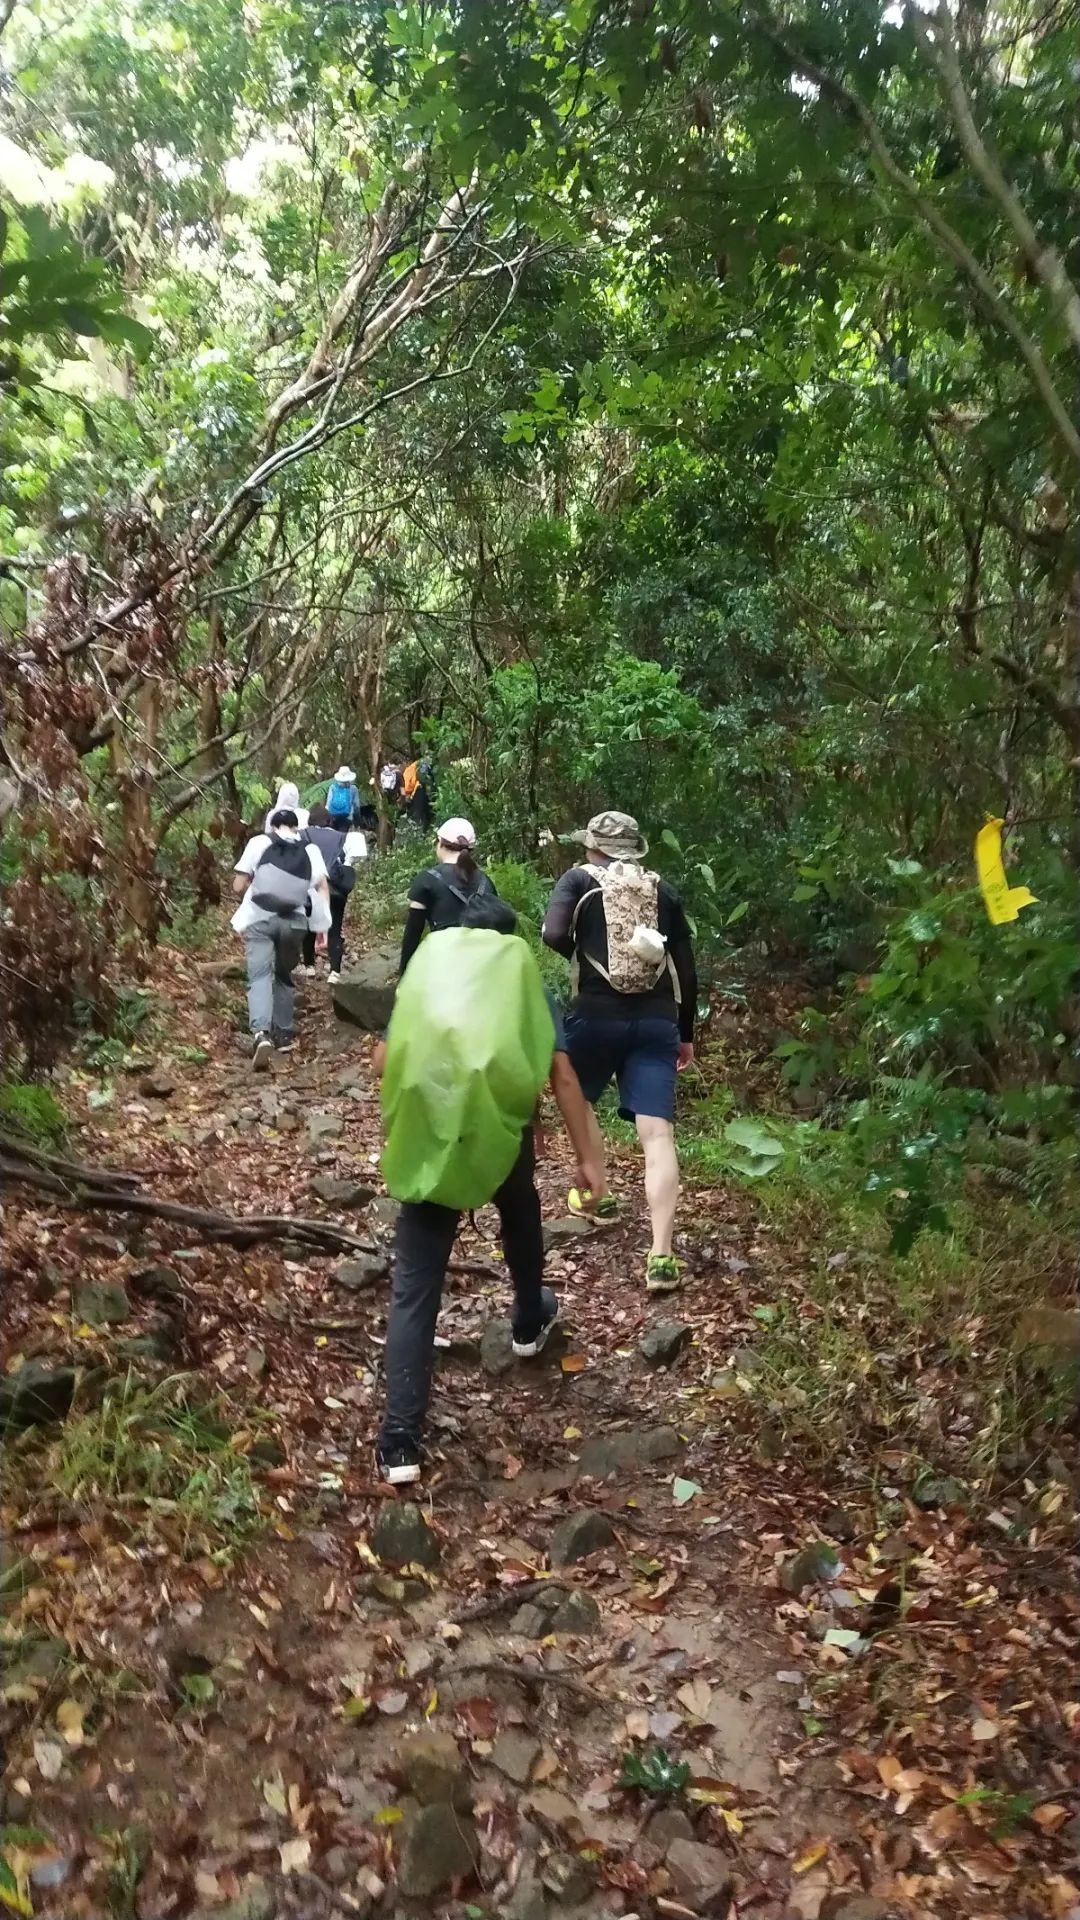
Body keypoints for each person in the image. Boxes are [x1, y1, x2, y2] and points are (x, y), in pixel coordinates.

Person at [375, 896, 604, 1485]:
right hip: (501, 1134)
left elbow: (382, 1057)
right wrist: (587, 1158)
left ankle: (400, 1442)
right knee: (520, 1209)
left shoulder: (427, 977)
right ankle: (529, 1317)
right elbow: (562, 1075)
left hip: (430, 1134)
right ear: (510, 943)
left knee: (415, 1284)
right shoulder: (523, 984)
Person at [542, 810, 698, 1294]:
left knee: (581, 1097)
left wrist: (581, 953)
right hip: (656, 1021)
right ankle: (661, 1256)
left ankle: (600, 1196)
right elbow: (685, 970)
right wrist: (686, 1032)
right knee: (657, 1135)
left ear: (594, 847)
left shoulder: (577, 881)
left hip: (595, 1014)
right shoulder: (663, 889)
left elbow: (550, 934)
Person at [232, 809, 331, 1069]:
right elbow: (322, 888)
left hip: (259, 919)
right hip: (295, 922)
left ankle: (261, 1033)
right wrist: (323, 927)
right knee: (284, 975)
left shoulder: (258, 843)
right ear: (296, 827)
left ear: (272, 825)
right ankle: (284, 1033)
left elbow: (238, 885)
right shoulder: (310, 850)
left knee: (259, 976)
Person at [398, 817, 497, 977]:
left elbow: (412, 934)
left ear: (440, 843)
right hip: (480, 967)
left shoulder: (426, 880)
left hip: (442, 965)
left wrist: (404, 974)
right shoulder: (486, 882)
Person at [299, 804, 367, 983]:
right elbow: (356, 858)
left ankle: (309, 967)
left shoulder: (302, 835)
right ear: (330, 821)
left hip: (309, 888)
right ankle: (335, 972)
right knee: (335, 928)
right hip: (335, 889)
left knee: (309, 927)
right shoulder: (343, 837)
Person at [326, 765, 361, 833]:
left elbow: (328, 803)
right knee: (343, 837)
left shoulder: (332, 787)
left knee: (334, 835)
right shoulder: (353, 789)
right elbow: (356, 806)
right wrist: (357, 821)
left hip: (333, 816)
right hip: (347, 817)